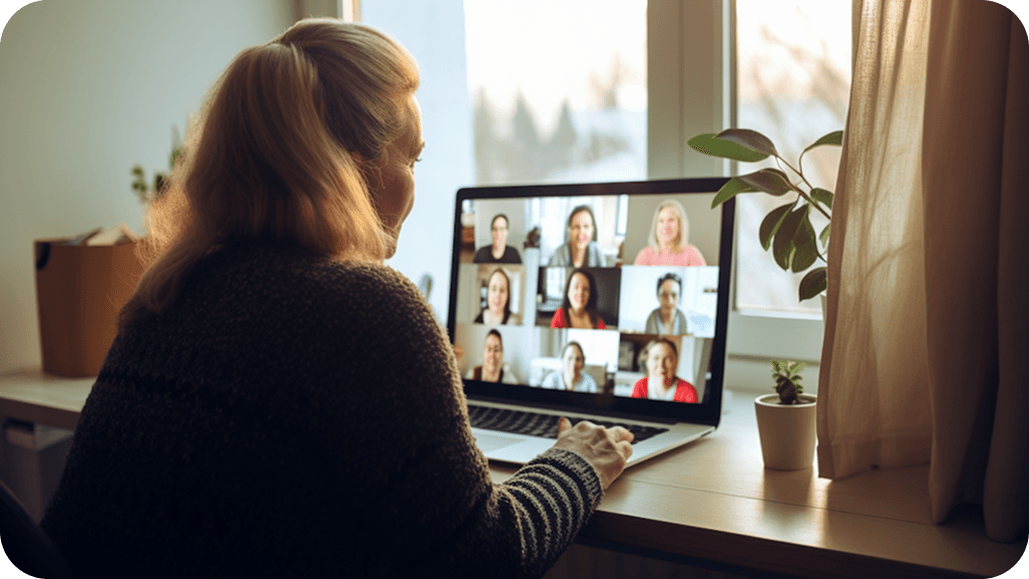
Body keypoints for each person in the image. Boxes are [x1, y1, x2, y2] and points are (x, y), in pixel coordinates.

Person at [40, 19, 633, 578]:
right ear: (359, 169)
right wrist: (577, 459)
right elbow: (486, 558)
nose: (415, 181)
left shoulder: (166, 295)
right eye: (414, 157)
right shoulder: (369, 310)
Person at [633, 199, 707, 266]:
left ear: (679, 224)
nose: (665, 226)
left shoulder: (692, 254)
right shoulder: (644, 255)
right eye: (661, 221)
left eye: (671, 220)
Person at [631, 339, 698, 403]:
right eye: (656, 358)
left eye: (668, 359)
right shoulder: (639, 386)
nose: (661, 365)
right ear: (647, 361)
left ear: (676, 362)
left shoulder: (688, 391)